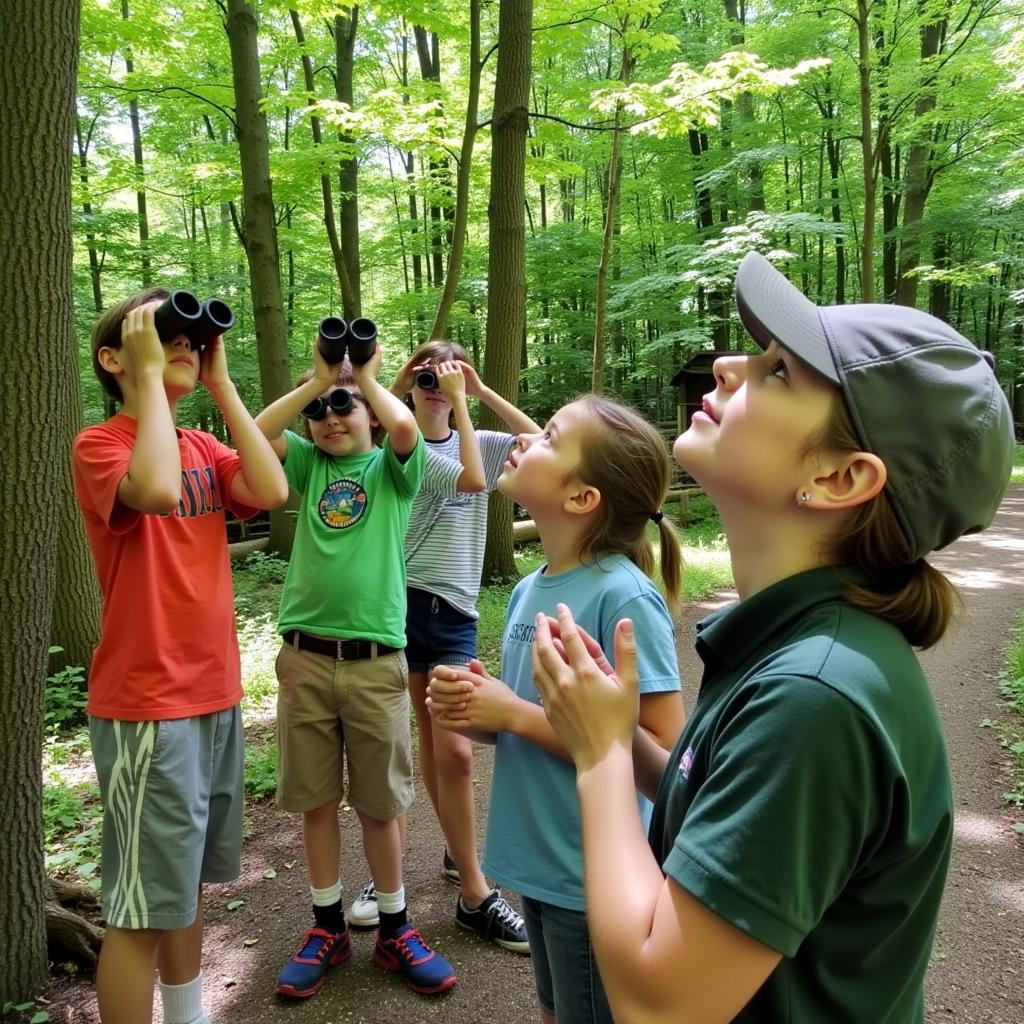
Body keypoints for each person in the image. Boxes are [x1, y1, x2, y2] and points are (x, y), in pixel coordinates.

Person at [529, 251, 1017, 1023]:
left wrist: (597, 760)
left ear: (839, 479)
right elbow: (717, 802)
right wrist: (617, 738)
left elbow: (661, 1005)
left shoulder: (812, 696)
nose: (727, 365)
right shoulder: (797, 648)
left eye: (780, 371)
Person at [428, 395, 687, 1024]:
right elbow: (538, 723)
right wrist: (484, 712)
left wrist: (514, 714)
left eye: (547, 436)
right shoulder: (528, 587)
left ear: (581, 498)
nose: (522, 439)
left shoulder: (622, 593)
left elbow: (661, 748)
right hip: (539, 859)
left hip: (592, 871)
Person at [73, 291, 289, 1024]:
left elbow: (270, 487)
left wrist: (223, 383)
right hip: (148, 708)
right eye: (168, 336)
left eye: (195, 339)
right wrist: (148, 377)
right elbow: (158, 491)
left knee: (183, 886)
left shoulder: (202, 445)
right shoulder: (99, 445)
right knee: (140, 909)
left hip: (214, 695)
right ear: (115, 357)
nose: (189, 346)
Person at [254, 339, 457, 1000]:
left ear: (369, 411)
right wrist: (315, 379)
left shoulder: (393, 469)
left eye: (346, 406)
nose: (332, 416)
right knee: (314, 800)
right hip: (306, 659)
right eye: (321, 409)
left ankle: (396, 928)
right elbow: (258, 434)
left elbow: (403, 425)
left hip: (375, 665)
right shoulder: (309, 465)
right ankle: (325, 927)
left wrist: (363, 378)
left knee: (378, 801)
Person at [345, 341, 538, 954]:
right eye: (426, 372)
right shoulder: (396, 449)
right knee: (403, 747)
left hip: (451, 611)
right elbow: (471, 484)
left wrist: (475, 395)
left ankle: (469, 883)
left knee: (452, 753)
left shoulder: (476, 437)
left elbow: (543, 441)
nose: (437, 382)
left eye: (447, 370)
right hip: (399, 606)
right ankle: (397, 877)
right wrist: (404, 383)